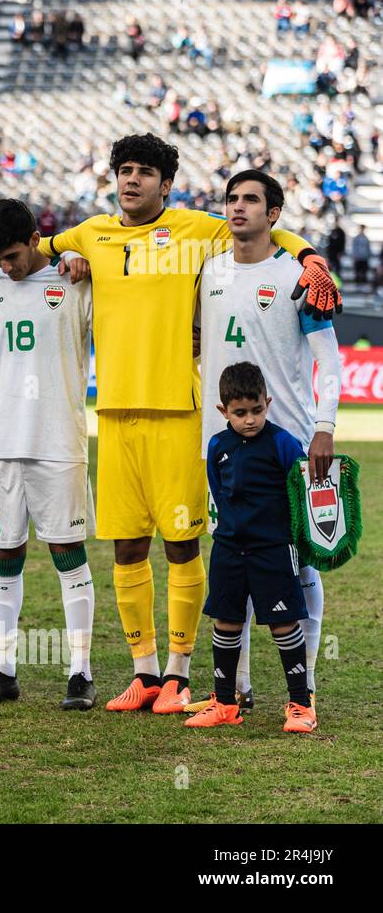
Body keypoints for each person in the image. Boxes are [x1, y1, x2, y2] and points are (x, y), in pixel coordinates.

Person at [38, 134, 339, 715]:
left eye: (144, 172)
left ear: (166, 183)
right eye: (123, 170)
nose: (131, 180)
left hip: (239, 424)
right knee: (200, 551)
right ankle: (195, 681)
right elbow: (34, 245)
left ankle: (276, 683)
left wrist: (311, 257)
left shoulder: (213, 237)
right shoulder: (123, 241)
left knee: (282, 558)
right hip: (173, 426)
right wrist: (62, 257)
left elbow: (273, 240)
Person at [195, 169, 340, 711]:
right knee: (232, 556)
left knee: (299, 561)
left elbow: (329, 358)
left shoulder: (298, 277)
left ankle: (306, 683)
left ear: (273, 214)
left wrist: (324, 426)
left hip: (290, 441)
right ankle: (239, 688)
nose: (238, 208)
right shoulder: (207, 272)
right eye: (231, 199)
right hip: (223, 444)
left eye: (251, 200)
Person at [0, 199, 98, 710]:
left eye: (15, 255)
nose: (7, 266)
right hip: (1, 443)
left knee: (68, 554)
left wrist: (81, 257)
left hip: (59, 442)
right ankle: (3, 670)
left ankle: (80, 672)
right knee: (4, 555)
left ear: (37, 239)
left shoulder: (74, 282)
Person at [186, 362, 317, 733]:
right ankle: (225, 702)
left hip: (272, 549)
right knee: (226, 620)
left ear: (268, 402)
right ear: (222, 411)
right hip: (228, 548)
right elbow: (218, 488)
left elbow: (300, 490)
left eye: (257, 410)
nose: (249, 420)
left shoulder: (283, 443)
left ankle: (300, 705)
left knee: (283, 621)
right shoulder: (218, 446)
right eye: (240, 413)